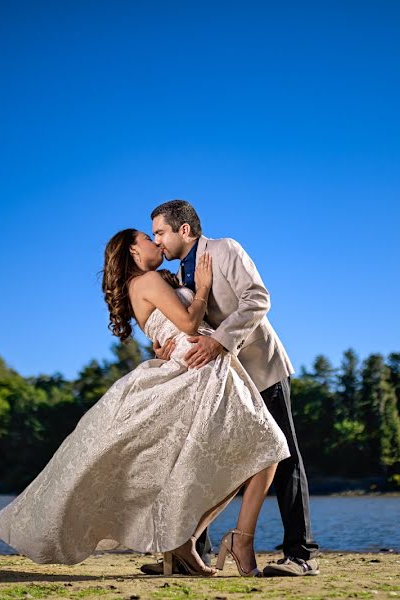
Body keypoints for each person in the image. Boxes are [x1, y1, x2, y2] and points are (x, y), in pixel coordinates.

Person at [0, 228, 289, 577]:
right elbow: (190, 321)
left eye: (158, 234)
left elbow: (171, 326)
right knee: (267, 449)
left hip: (201, 364)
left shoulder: (149, 283)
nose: (156, 242)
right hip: (201, 367)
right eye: (149, 237)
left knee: (253, 453)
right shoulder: (145, 281)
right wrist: (203, 287)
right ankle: (233, 540)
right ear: (132, 251)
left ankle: (188, 542)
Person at [143, 199, 321, 577]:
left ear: (184, 230)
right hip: (218, 382)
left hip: (259, 369)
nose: (157, 241)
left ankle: (301, 555)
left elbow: (258, 299)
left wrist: (220, 342)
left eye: (160, 232)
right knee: (205, 460)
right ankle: (193, 554)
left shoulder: (225, 249)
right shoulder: (175, 274)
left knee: (284, 457)